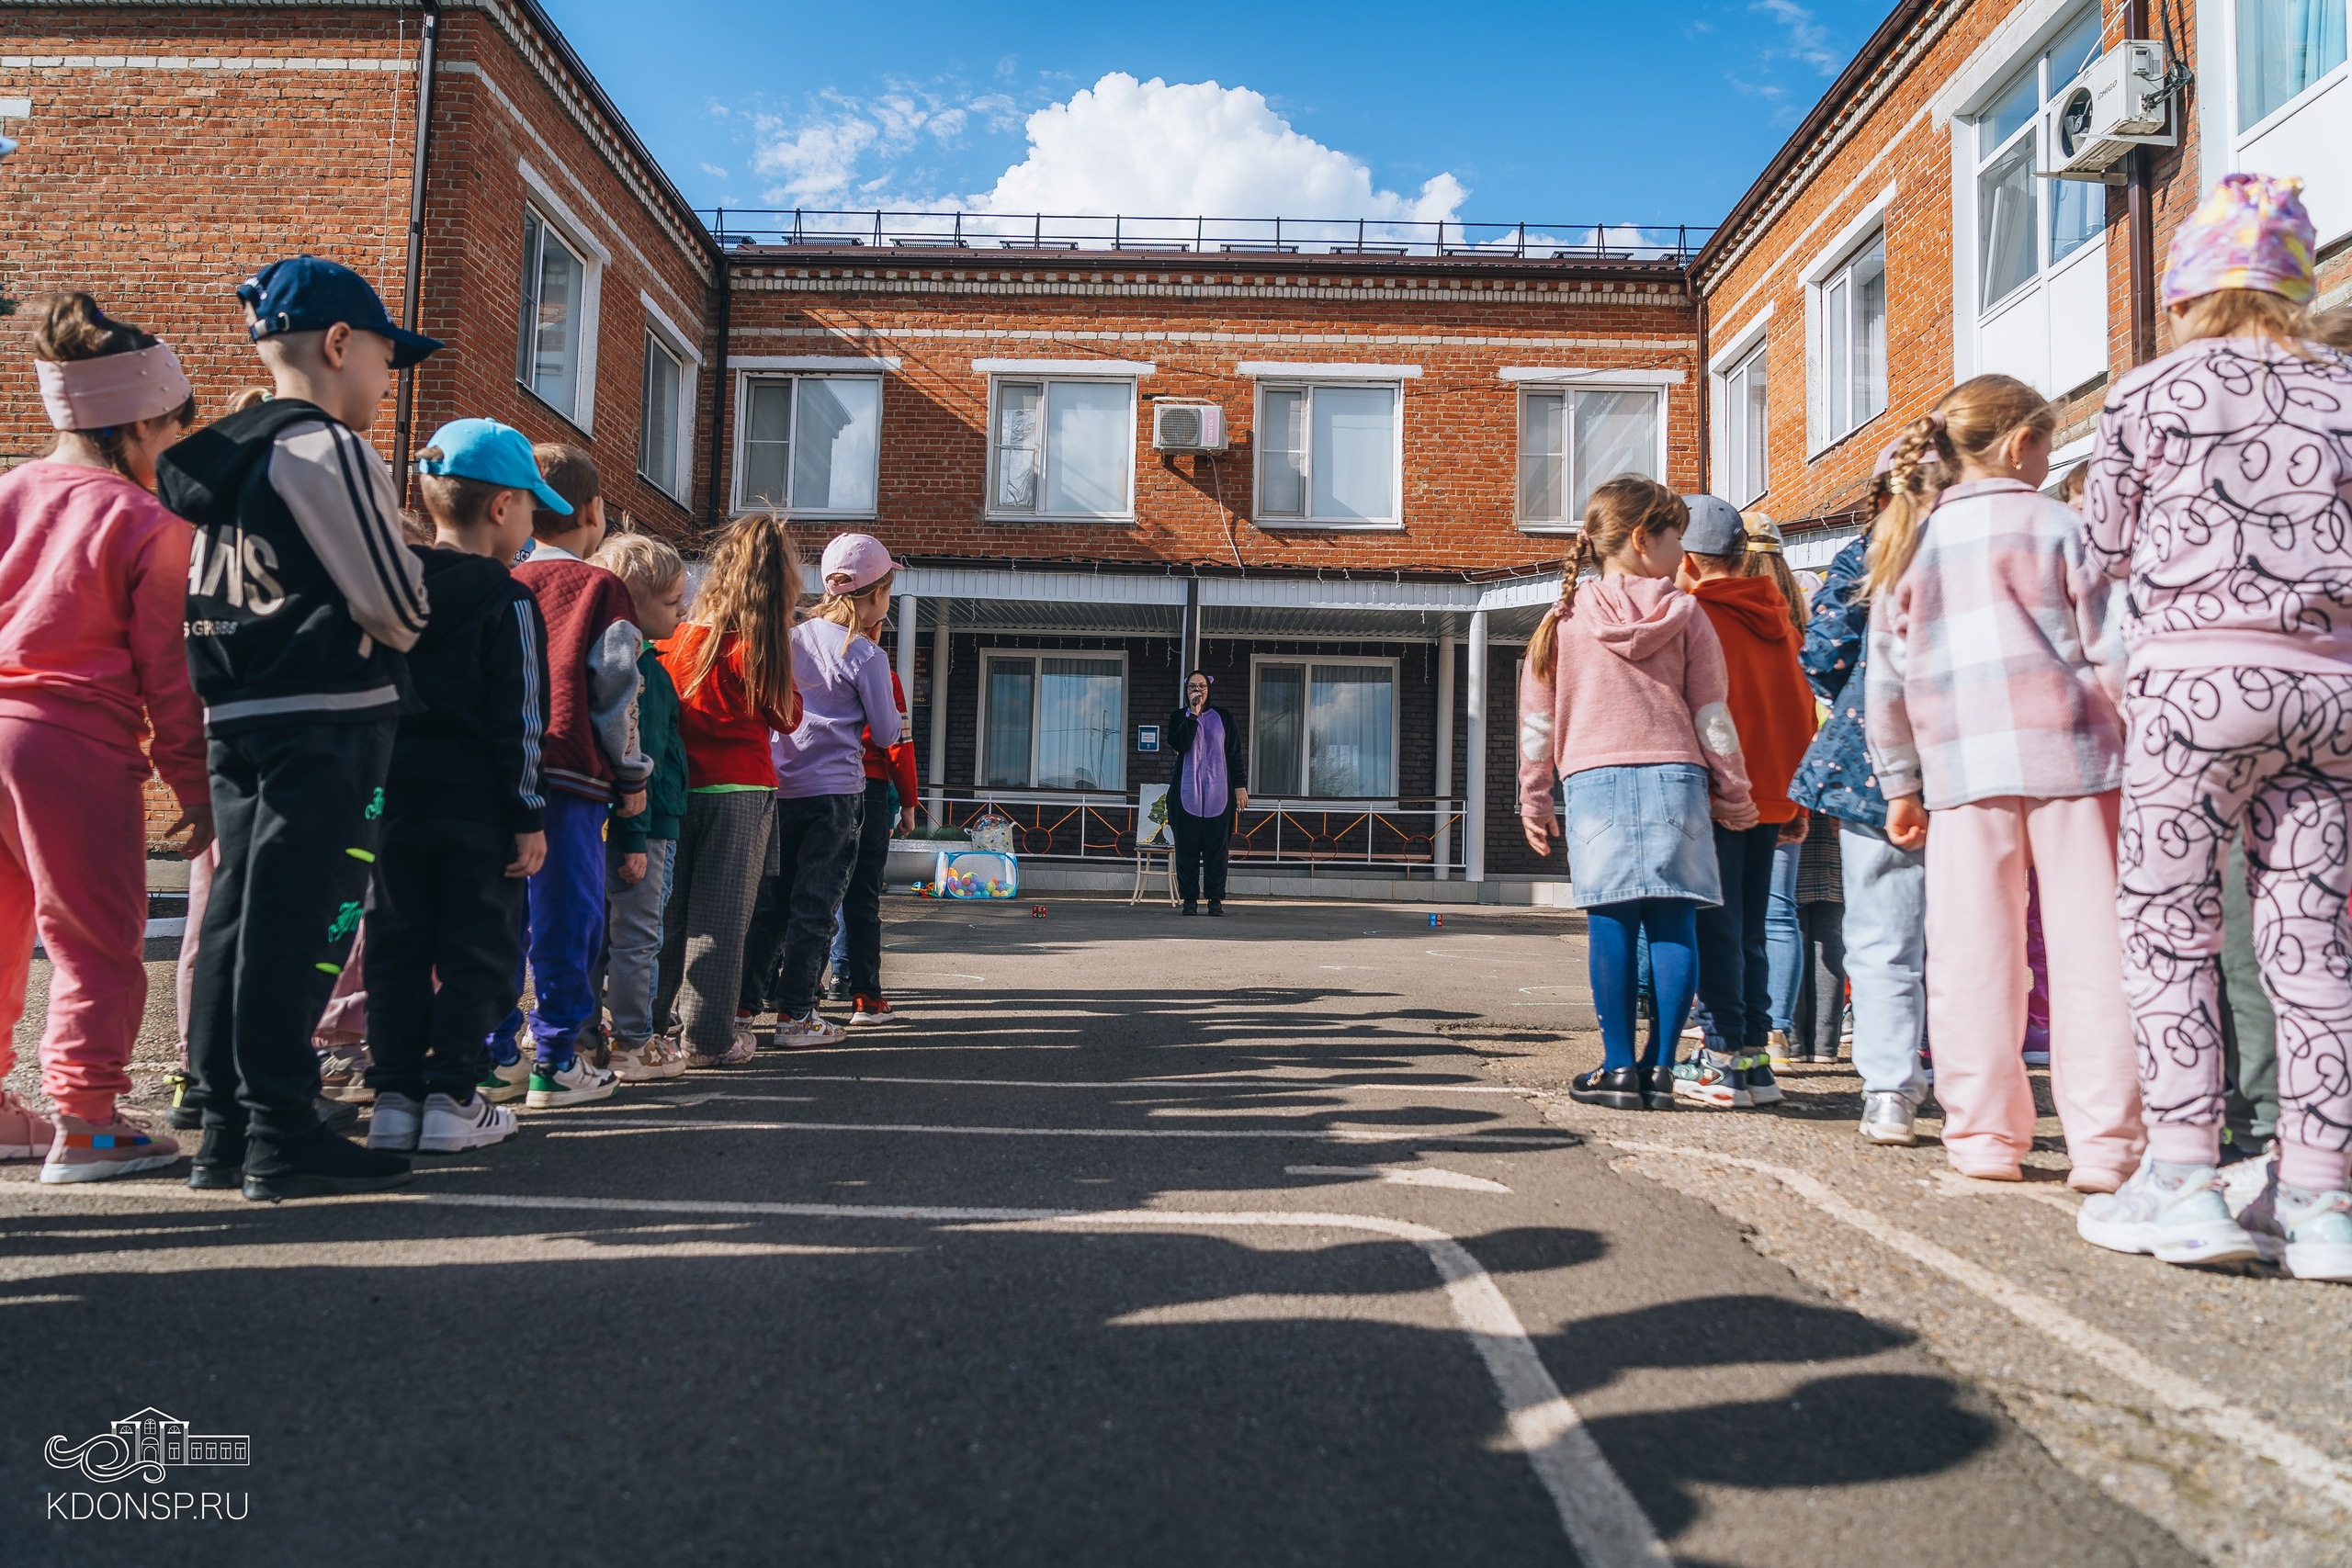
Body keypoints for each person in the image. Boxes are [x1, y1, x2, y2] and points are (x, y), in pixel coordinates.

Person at [2080, 174, 2352, 1279]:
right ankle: (2321, 1199)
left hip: (2196, 691)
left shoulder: (2148, 392)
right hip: (2331, 694)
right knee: (2313, 942)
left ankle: (2185, 1178)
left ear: (2185, 291)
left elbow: (2099, 549)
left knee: (2168, 928)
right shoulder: (2345, 389)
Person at [160, 254, 435, 1201]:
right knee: (304, 918)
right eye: (386, 359)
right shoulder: (326, 448)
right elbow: (399, 604)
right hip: (328, 715)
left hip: (237, 708)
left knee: (240, 915)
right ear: (339, 343)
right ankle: (281, 1130)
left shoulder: (224, 455)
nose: (386, 381)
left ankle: (225, 1126)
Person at [1865, 373, 2143, 1190]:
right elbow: (2116, 650)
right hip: (2079, 764)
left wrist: (1899, 784)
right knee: (2096, 954)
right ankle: (2106, 1145)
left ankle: (1984, 1135)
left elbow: (1887, 681)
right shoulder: (2066, 526)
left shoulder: (1911, 541)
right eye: (2049, 444)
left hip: (1962, 772)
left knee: (1970, 957)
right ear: (2022, 444)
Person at [0, 292, 207, 1181]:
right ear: (142, 422)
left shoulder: (8, 491)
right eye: (173, 434)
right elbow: (169, 675)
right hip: (71, 743)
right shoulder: (150, 524)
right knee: (96, 937)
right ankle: (87, 1118)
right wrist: (196, 788)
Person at [1519, 476, 1756, 1112]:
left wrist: (1534, 796)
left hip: (1594, 780)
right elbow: (1712, 714)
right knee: (1675, 919)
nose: (1683, 552)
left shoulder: (1564, 618)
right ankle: (1661, 1068)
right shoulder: (1688, 614)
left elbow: (1538, 721)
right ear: (1643, 539)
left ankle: (1619, 1067)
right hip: (1676, 778)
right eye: (1677, 537)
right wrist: (1734, 787)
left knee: (1612, 922)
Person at [361, 419, 554, 1155]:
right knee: (480, 949)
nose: (533, 522)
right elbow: (522, 717)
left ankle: (394, 1096)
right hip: (479, 809)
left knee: (397, 947)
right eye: (531, 505)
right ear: (502, 507)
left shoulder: (389, 588)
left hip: (393, 803)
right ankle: (452, 1095)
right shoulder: (509, 600)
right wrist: (528, 811)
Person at [1788, 435, 1947, 1145]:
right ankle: (1965, 1078)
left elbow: (1823, 650)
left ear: (1880, 497)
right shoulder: (1968, 542)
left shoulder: (1865, 556)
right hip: (1970, 753)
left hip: (1870, 760)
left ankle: (1888, 1090)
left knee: (1881, 932)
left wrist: (1851, 693)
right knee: (1970, 930)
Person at [487, 444, 648, 1109]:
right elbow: (616, 693)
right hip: (573, 774)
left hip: (502, 773)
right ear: (594, 511)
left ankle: (496, 1054)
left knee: (502, 916)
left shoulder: (505, 581)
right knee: (569, 916)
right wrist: (632, 774)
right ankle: (556, 1056)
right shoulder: (602, 589)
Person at [1675, 497, 1816, 1110]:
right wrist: (1797, 800)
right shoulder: (1780, 619)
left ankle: (1721, 1059)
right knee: (1753, 929)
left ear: (1687, 559)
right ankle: (1756, 1059)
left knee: (1716, 928)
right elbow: (1801, 711)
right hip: (1773, 796)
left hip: (1718, 797)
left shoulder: (1695, 617)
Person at [742, 534, 903, 1048]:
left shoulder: (789, 638)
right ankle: (796, 1016)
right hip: (834, 793)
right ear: (877, 593)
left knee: (770, 904)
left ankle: (742, 1008)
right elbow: (886, 734)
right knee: (816, 905)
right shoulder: (866, 655)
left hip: (779, 786)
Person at [657, 515, 801, 1068]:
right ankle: (708, 1038)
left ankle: (649, 1027)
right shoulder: (758, 644)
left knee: (668, 918)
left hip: (678, 790)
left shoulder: (677, 636)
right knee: (720, 922)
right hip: (741, 790)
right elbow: (787, 717)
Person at [591, 531, 690, 1080]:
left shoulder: (622, 664)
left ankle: (588, 1034)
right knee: (638, 939)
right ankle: (635, 1040)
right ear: (634, 604)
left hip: (624, 827)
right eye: (673, 603)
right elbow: (639, 762)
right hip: (646, 832)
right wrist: (635, 838)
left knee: (600, 936)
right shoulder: (642, 674)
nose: (682, 612)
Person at [829, 595, 919, 1027]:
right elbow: (898, 744)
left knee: (807, 890)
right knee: (861, 893)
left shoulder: (803, 655)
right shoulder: (883, 671)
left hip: (806, 785)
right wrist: (909, 802)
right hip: (869, 785)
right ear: (876, 625)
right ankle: (863, 994)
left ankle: (788, 994)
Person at [1742, 513, 1812, 1069]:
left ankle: (1732, 1023)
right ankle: (1778, 1033)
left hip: (1738, 776)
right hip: (1791, 775)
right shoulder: (1799, 620)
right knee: (1779, 910)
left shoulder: (1731, 613)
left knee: (1731, 908)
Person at [1168, 671, 1247, 916]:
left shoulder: (1223, 717)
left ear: (1208, 689)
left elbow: (1234, 753)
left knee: (1217, 851)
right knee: (1186, 850)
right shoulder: (1179, 716)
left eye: (1201, 686)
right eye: (1192, 686)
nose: (1197, 691)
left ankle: (1215, 900)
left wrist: (1240, 786)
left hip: (1218, 795)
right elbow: (1180, 744)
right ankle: (1189, 900)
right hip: (1186, 795)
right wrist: (1193, 715)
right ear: (1186, 691)